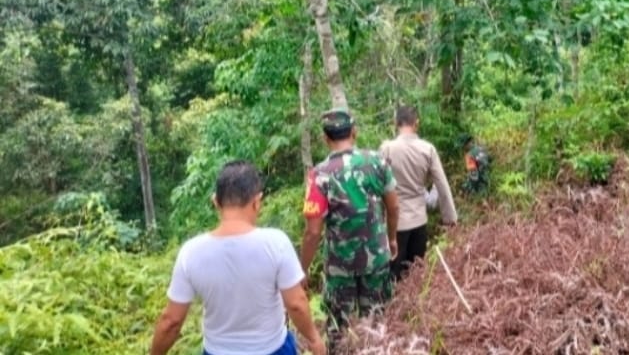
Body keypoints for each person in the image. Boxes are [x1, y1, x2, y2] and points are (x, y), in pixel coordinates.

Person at [150, 161, 325, 355]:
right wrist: (314, 339)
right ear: (257, 202)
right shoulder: (276, 243)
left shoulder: (191, 252)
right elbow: (296, 304)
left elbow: (171, 322)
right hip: (272, 350)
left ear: (216, 202)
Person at [301, 108, 399, 351]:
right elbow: (394, 206)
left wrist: (300, 269)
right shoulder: (377, 162)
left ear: (326, 138)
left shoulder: (319, 175)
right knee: (377, 324)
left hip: (339, 265)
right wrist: (392, 239)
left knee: (338, 329)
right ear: (354, 132)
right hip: (375, 257)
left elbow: (313, 232)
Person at [379, 106, 457, 280]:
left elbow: (378, 188)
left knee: (393, 277)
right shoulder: (427, 149)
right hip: (419, 222)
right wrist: (450, 218)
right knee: (416, 275)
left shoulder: (387, 150)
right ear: (417, 123)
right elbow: (442, 185)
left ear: (396, 123)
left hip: (394, 225)